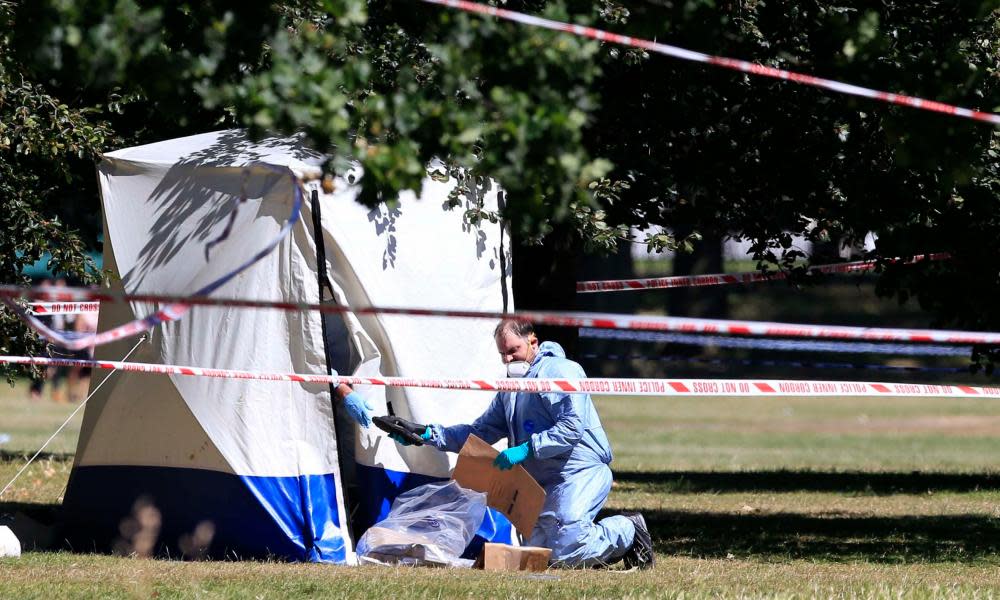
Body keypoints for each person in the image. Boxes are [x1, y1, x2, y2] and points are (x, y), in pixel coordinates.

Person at [390, 319, 654, 569]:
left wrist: (527, 449)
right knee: (541, 557)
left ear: (533, 342)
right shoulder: (511, 387)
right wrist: (428, 435)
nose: (508, 359)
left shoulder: (561, 372)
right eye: (502, 354)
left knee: (566, 549)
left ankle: (628, 528)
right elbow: (480, 432)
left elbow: (572, 427)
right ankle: (592, 554)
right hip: (540, 485)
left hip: (578, 472)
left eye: (513, 350)